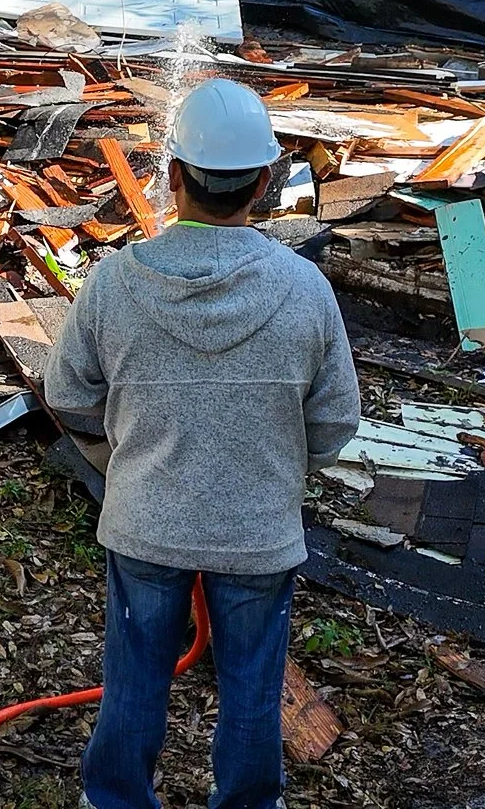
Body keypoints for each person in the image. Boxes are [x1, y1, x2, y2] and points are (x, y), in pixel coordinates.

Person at [45, 76, 361, 809]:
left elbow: (67, 396)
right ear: (263, 181)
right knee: (253, 682)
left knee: (135, 677)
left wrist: (126, 449)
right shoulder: (305, 289)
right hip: (257, 530)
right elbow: (336, 420)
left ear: (176, 174)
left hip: (145, 521)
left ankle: (116, 801)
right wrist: (278, 468)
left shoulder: (115, 282)